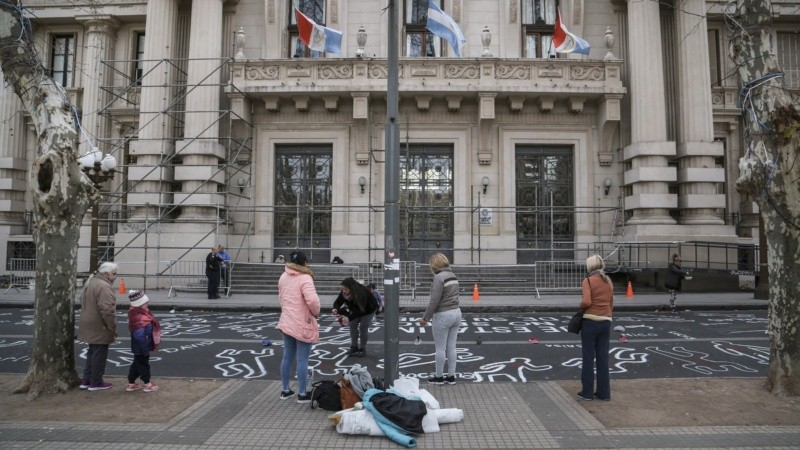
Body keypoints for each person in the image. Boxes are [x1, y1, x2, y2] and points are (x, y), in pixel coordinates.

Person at [277, 250, 320, 403]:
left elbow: (281, 298)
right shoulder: (305, 278)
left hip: (287, 321)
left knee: (287, 356)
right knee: (303, 359)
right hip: (302, 322)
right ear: (305, 262)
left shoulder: (283, 276)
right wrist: (316, 313)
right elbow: (313, 301)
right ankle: (302, 393)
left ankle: (285, 390)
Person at [419, 253, 461, 385]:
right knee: (452, 347)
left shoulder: (439, 277)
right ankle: (451, 376)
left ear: (434, 264)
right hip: (457, 313)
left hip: (443, 314)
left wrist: (425, 318)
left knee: (440, 348)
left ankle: (438, 377)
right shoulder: (452, 275)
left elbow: (434, 301)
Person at [577, 254, 614, 402]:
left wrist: (580, 305)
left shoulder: (588, 281)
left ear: (590, 266)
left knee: (588, 357)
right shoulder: (608, 281)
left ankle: (587, 392)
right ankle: (604, 393)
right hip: (606, 321)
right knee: (603, 358)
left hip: (591, 321)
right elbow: (612, 302)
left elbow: (586, 301)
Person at [76, 262, 119, 391]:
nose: (116, 276)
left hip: (88, 322)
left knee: (92, 352)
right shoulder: (104, 287)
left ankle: (87, 380)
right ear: (106, 274)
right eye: (114, 274)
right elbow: (107, 310)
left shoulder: (92, 282)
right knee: (99, 353)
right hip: (99, 324)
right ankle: (96, 382)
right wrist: (112, 326)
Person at [332, 277, 379, 357]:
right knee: (352, 325)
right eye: (343, 289)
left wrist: (349, 318)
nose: (344, 291)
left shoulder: (361, 292)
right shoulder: (344, 292)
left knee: (363, 328)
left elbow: (359, 310)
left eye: (346, 289)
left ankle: (362, 349)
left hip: (368, 309)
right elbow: (338, 301)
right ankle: (354, 347)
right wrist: (335, 308)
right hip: (356, 309)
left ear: (352, 288)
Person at [126, 290, 161, 393]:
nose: (147, 305)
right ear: (140, 304)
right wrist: (144, 347)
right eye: (146, 303)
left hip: (139, 346)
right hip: (142, 346)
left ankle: (131, 383)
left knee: (137, 364)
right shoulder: (140, 317)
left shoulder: (139, 315)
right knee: (143, 365)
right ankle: (147, 383)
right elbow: (139, 335)